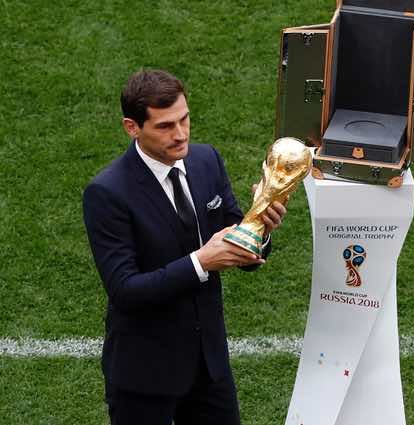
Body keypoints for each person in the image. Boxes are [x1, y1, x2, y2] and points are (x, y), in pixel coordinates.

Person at [82, 69, 287, 425]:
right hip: (144, 375)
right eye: (164, 126)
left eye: (184, 120)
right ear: (132, 127)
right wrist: (201, 262)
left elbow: (244, 250)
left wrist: (260, 227)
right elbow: (125, 290)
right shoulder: (107, 193)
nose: (180, 135)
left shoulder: (206, 161)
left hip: (210, 369)